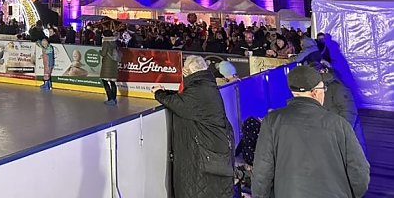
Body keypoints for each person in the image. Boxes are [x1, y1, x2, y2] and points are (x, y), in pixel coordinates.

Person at [251, 65, 369, 198]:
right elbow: (359, 172)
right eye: (323, 89)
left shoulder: (272, 121)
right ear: (315, 92)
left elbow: (262, 172)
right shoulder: (339, 124)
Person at [153, 55, 234, 198]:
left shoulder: (198, 89)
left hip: (206, 154)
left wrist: (159, 93)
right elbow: (185, 99)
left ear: (188, 72)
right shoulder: (205, 85)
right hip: (213, 149)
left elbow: (177, 103)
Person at [311, 61, 367, 154]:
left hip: (344, 131)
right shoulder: (316, 88)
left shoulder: (336, 86)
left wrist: (340, 132)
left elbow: (349, 111)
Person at [99, 35, 121, 106]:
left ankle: (110, 99)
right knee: (112, 82)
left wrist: (100, 52)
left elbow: (103, 53)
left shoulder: (106, 42)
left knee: (105, 81)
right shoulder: (114, 42)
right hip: (114, 64)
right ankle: (114, 98)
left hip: (107, 64)